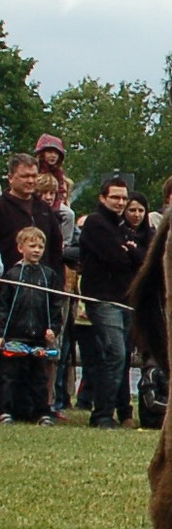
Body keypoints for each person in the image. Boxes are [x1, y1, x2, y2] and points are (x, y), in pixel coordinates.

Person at [78, 176, 145, 428]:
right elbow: (116, 258)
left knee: (123, 356)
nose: (120, 202)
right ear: (102, 198)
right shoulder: (96, 223)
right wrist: (129, 252)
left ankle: (121, 411)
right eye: (115, 197)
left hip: (124, 299)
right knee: (114, 353)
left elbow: (141, 259)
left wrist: (131, 251)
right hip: (103, 299)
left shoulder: (122, 227)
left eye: (123, 198)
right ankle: (102, 414)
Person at [0, 227, 62, 424]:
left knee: (39, 378)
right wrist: (2, 333)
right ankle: (5, 411)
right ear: (20, 248)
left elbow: (55, 306)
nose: (36, 250)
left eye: (40, 247)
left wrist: (53, 328)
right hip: (15, 336)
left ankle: (41, 412)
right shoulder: (12, 274)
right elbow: (3, 306)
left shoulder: (49, 275)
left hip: (39, 337)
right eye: (32, 246)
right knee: (9, 376)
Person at [1, 153, 64, 278]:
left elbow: (56, 249)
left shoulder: (44, 208)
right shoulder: (2, 207)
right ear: (10, 178)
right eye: (25, 176)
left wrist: (57, 282)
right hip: (9, 283)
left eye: (34, 176)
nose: (30, 181)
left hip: (43, 283)